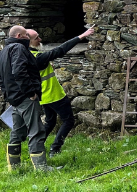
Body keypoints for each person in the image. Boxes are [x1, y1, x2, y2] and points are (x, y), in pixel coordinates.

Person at [26, 26, 95, 156]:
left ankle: (37, 146)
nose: (40, 39)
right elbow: (60, 50)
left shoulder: (26, 55)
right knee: (68, 121)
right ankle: (55, 148)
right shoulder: (38, 58)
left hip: (43, 97)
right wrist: (82, 36)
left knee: (50, 122)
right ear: (28, 41)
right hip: (54, 94)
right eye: (36, 38)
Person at [0, 25, 52, 171]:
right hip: (25, 97)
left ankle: (13, 167)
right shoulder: (19, 49)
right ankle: (41, 167)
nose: (29, 37)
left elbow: (1, 78)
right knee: (36, 130)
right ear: (19, 36)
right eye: (26, 35)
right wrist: (31, 93)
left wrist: (8, 94)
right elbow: (19, 71)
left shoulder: (3, 52)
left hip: (14, 99)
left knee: (17, 131)